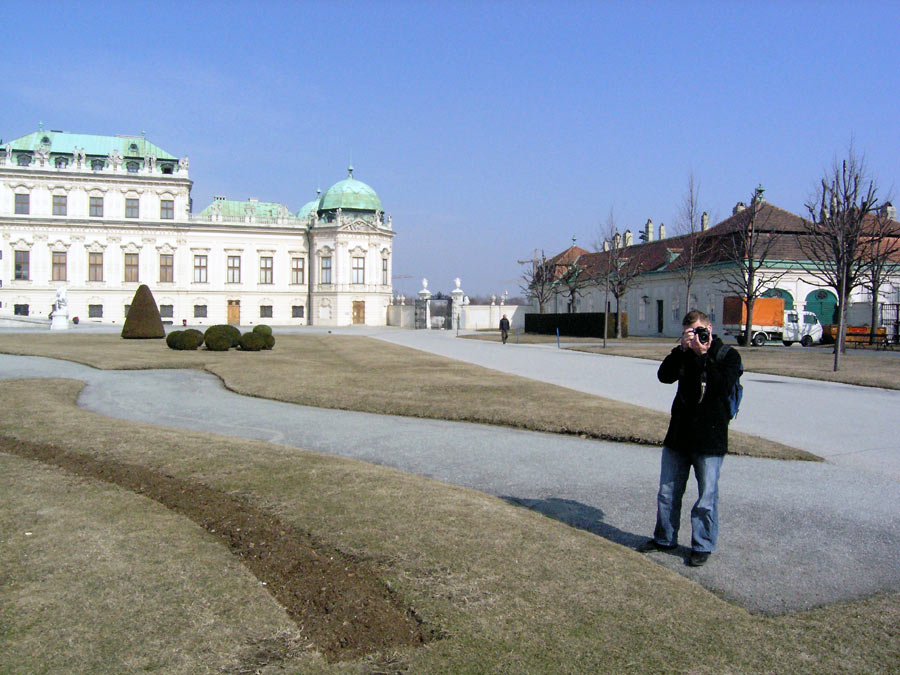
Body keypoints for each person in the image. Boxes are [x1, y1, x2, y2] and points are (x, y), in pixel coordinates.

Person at [638, 310, 742, 567]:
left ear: (709, 327)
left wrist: (704, 355)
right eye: (690, 333)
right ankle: (664, 538)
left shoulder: (726, 355)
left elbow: (722, 386)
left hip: (710, 438)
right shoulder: (683, 355)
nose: (696, 337)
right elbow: (664, 376)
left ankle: (702, 545)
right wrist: (681, 350)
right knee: (667, 492)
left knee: (706, 497)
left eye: (699, 331)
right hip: (679, 435)